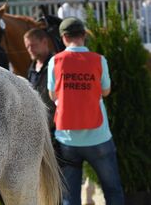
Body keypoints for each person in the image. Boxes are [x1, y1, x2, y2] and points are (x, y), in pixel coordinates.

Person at [48, 17, 124, 205]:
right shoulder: (99, 60)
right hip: (98, 136)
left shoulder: (55, 61)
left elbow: (52, 95)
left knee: (69, 197)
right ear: (83, 35)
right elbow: (105, 91)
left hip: (67, 138)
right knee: (112, 190)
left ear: (64, 38)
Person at [23, 28, 55, 128]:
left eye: (33, 45)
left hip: (55, 126)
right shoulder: (32, 68)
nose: (30, 50)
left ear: (44, 42)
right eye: (27, 47)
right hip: (38, 125)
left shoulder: (56, 65)